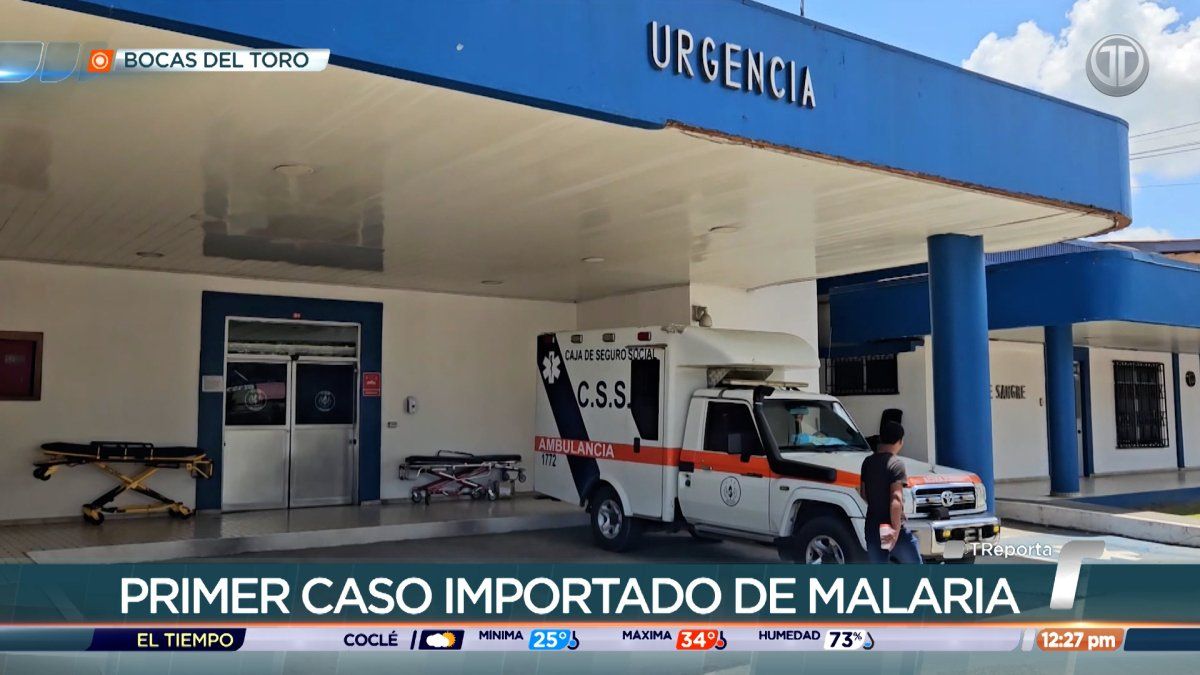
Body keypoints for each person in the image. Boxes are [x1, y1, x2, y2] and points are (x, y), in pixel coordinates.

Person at [858, 421, 922, 564]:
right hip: (891, 526)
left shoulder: (867, 462)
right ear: (900, 441)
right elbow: (896, 499)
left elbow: (863, 493)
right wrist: (895, 530)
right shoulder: (896, 464)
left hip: (873, 525)